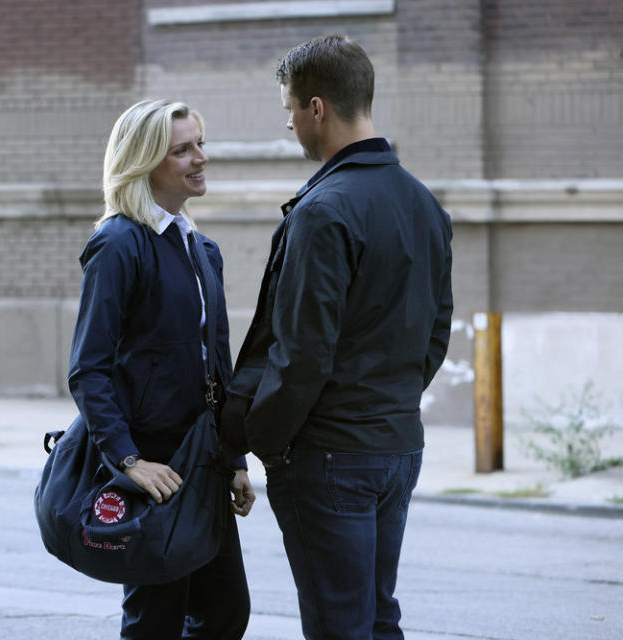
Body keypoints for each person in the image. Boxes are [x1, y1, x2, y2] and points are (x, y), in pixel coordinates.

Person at [220, 35, 453, 639]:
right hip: (397, 447)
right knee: (375, 619)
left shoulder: (324, 211)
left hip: (329, 454)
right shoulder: (425, 205)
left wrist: (266, 440)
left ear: (316, 108)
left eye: (290, 110)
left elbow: (300, 354)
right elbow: (435, 334)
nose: (290, 125)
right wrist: (389, 401)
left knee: (339, 627)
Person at [68, 98, 255, 640]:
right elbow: (88, 369)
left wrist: (235, 456)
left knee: (224, 613)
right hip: (155, 468)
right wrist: (128, 460)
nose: (200, 158)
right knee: (155, 621)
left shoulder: (202, 248)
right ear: (146, 162)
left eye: (201, 144)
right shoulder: (117, 244)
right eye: (183, 150)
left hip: (203, 463)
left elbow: (217, 365)